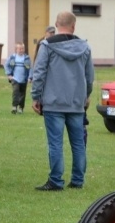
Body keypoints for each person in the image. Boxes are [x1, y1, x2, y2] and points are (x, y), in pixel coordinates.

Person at [31, 11, 94, 191]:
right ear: (74, 26)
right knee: (78, 143)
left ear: (57, 24)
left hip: (53, 102)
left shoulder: (47, 46)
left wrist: (36, 97)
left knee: (55, 143)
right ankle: (77, 179)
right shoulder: (85, 47)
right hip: (76, 103)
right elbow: (89, 77)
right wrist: (85, 96)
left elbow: (39, 73)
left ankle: (56, 180)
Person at [4, 43, 32, 114]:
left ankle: (21, 107)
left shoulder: (27, 58)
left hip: (24, 79)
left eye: (22, 48)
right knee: (15, 92)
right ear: (16, 49)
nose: (21, 50)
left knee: (22, 94)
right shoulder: (12, 57)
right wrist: (9, 75)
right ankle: (14, 106)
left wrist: (30, 77)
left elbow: (31, 68)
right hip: (15, 78)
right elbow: (6, 65)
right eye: (19, 49)